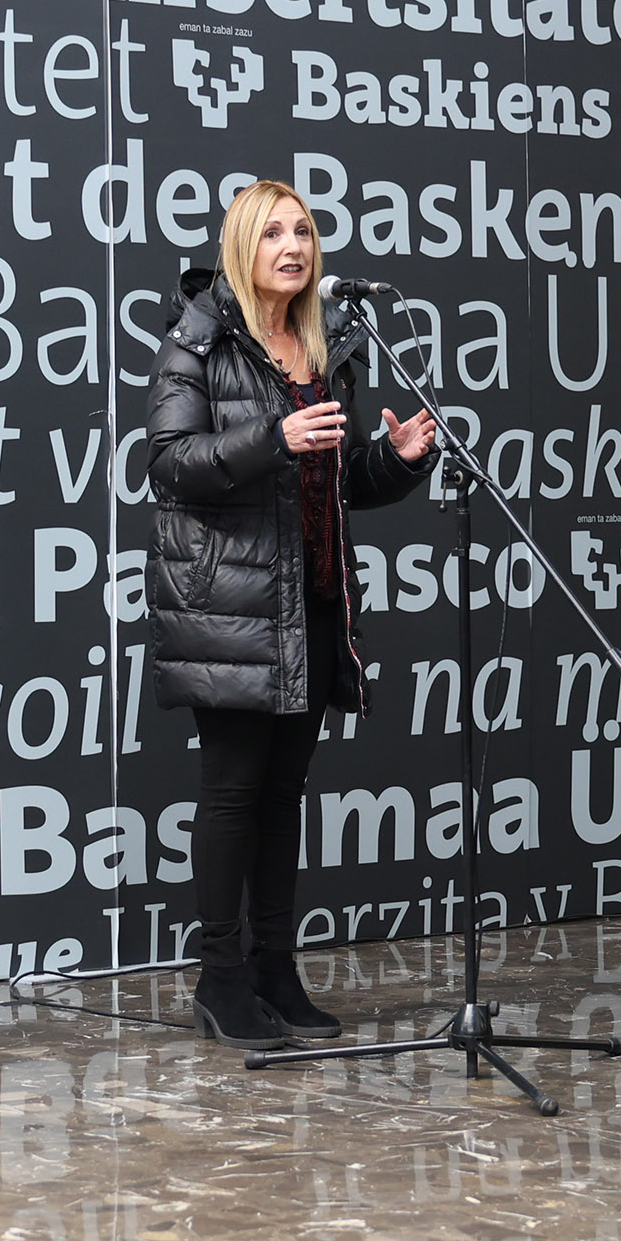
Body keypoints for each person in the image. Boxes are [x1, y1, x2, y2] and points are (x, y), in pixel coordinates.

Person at [145, 180, 437, 1049]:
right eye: (273, 231)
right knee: (234, 795)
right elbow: (171, 462)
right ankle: (221, 980)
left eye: (303, 230)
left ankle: (276, 968)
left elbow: (334, 485)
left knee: (283, 796)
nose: (293, 245)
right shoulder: (195, 341)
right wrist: (273, 437)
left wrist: (397, 459)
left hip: (308, 598)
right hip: (227, 605)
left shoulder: (324, 349)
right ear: (243, 247)